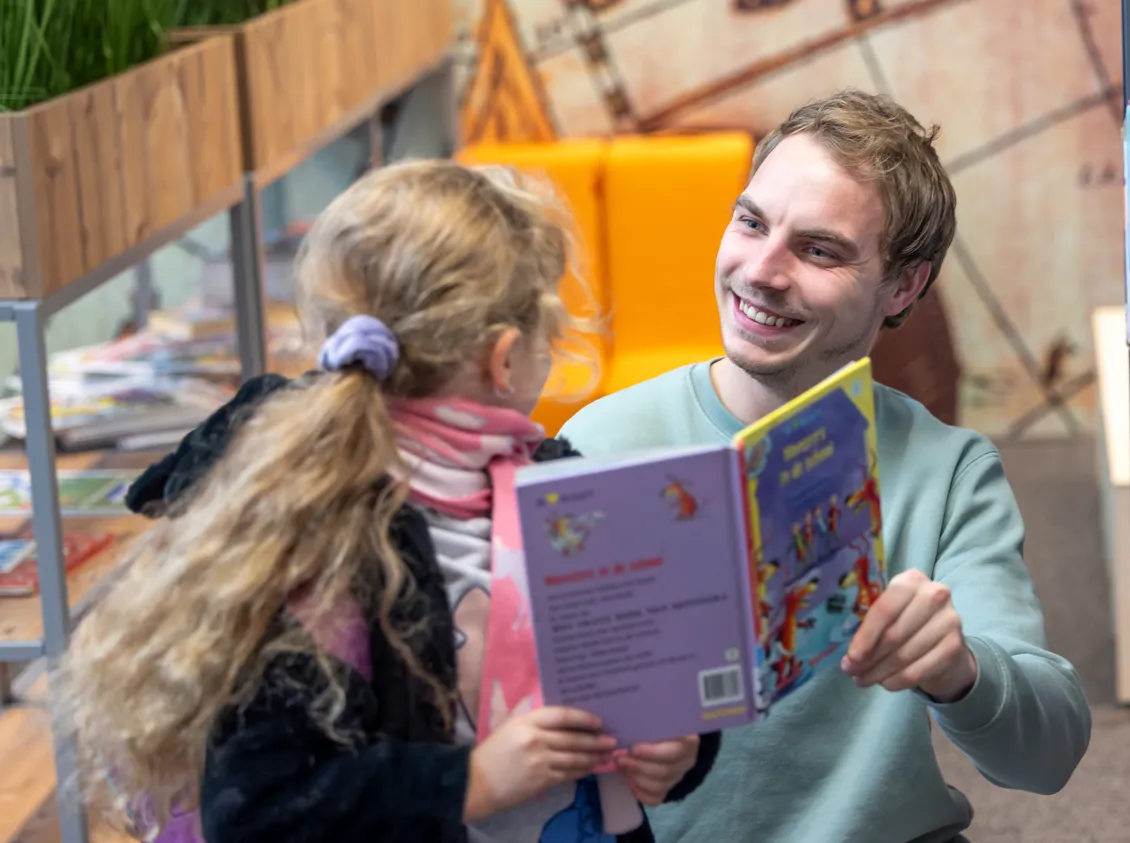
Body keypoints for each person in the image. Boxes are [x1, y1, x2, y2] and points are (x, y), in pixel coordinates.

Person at [60, 160, 717, 843]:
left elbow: (652, 684)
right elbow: (257, 804)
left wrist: (681, 749)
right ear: (506, 357)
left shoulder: (561, 486)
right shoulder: (324, 525)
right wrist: (472, 780)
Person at [559, 89, 1093, 842]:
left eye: (818, 249)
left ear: (903, 286)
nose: (761, 270)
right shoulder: (597, 443)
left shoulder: (948, 471)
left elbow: (1050, 755)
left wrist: (959, 669)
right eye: (749, 222)